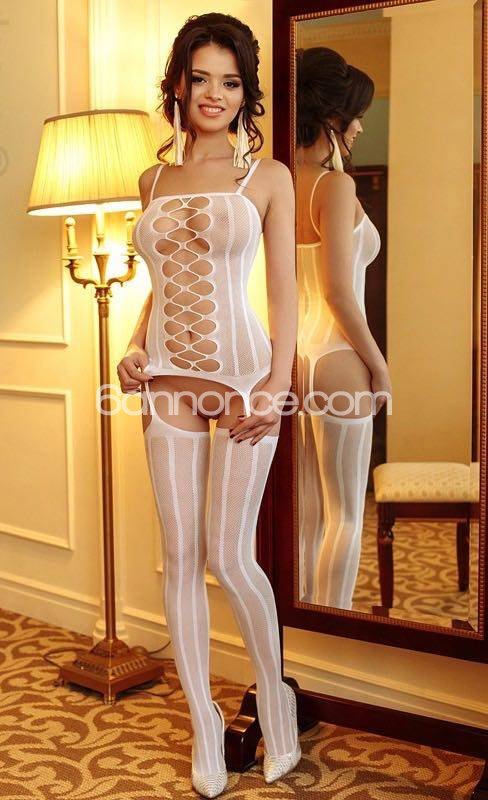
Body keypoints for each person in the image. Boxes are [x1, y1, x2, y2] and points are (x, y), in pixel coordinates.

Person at [117, 13, 300, 797]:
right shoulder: (151, 181)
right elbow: (158, 285)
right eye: (200, 79)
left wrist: (277, 388)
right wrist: (133, 344)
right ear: (179, 85)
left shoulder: (268, 177)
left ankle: (276, 701)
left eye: (229, 81)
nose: (213, 94)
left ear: (245, 92)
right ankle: (202, 722)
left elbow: (285, 294)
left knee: (230, 556)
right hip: (165, 381)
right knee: (182, 556)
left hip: (244, 379)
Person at [295, 47, 392, 609]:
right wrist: (379, 366)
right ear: (332, 116)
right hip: (337, 357)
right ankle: (334, 629)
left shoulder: (279, 180)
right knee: (348, 515)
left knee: (308, 513)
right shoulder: (335, 186)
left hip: (296, 359)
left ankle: (306, 626)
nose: (359, 127)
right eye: (356, 116)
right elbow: (338, 292)